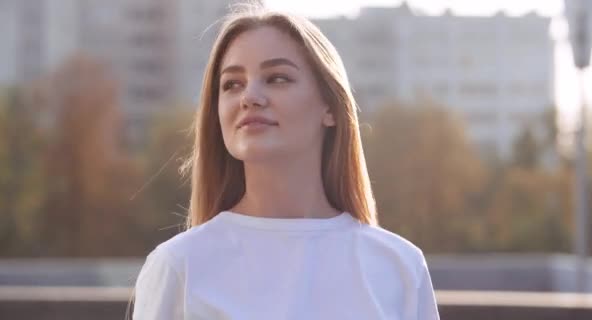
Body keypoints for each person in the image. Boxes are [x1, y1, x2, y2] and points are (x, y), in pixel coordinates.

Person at [133, 4, 440, 320]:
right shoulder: (179, 267)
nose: (249, 96)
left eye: (277, 78)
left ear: (330, 108)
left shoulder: (399, 267)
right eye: (232, 84)